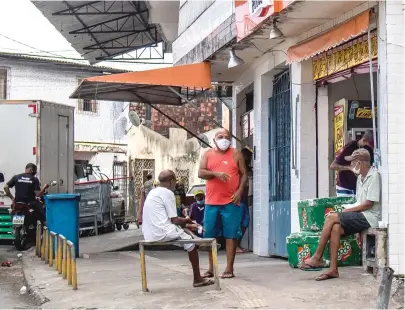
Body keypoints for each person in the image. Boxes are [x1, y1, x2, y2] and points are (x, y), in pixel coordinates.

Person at [300, 149, 381, 281]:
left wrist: (345, 212)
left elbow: (368, 204)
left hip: (370, 217)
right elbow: (358, 202)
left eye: (353, 162)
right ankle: (333, 269)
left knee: (332, 217)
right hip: (361, 216)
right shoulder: (360, 178)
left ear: (360, 162)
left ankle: (317, 257)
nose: (352, 165)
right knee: (335, 227)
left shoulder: (374, 176)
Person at [142, 169, 213, 288]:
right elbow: (175, 221)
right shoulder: (168, 193)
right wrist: (188, 220)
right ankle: (197, 279)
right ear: (171, 181)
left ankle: (196, 237)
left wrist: (188, 223)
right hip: (162, 232)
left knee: (183, 232)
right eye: (175, 181)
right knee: (192, 244)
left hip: (148, 233)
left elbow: (171, 221)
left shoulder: (153, 192)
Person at [198, 128, 247, 279]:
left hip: (231, 202)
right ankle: (211, 268)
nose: (224, 139)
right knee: (210, 236)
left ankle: (229, 269)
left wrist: (239, 192)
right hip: (211, 202)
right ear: (214, 140)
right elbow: (200, 172)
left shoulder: (236, 154)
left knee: (230, 235)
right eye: (220, 136)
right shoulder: (207, 154)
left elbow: (244, 174)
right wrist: (215, 173)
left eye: (227, 137)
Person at [330, 130, 374, 197]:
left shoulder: (368, 149)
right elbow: (333, 166)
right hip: (345, 187)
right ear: (364, 140)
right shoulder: (349, 147)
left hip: (360, 186)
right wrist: (349, 168)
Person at [236, 147, 253, 253]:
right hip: (239, 200)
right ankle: (236, 246)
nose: (249, 159)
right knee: (238, 223)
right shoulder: (237, 170)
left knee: (245, 222)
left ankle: (238, 244)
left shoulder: (248, 170)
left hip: (245, 200)